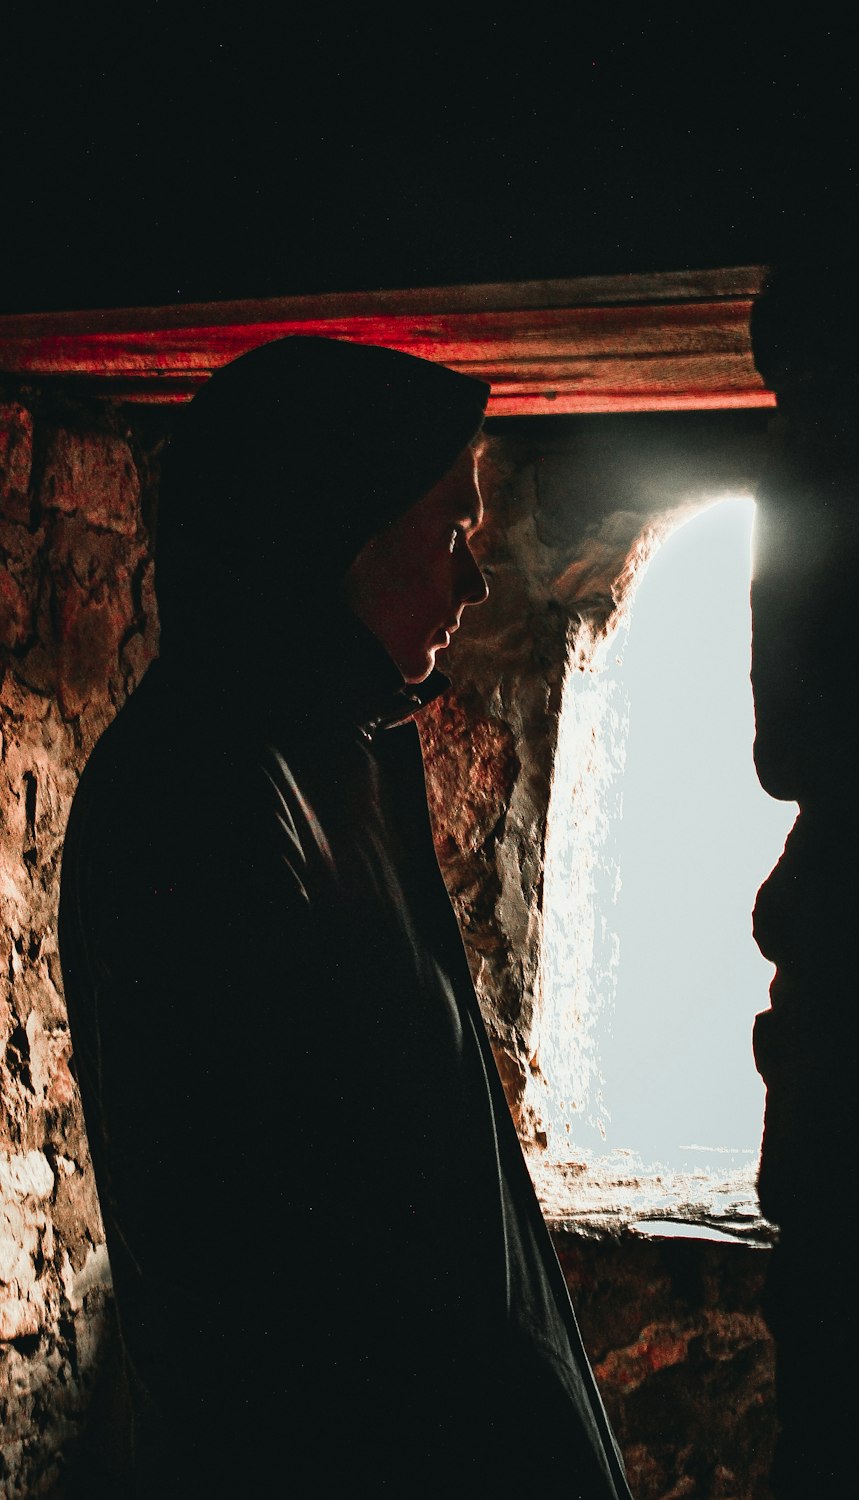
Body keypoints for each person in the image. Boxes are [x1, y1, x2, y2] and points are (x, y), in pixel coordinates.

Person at [58, 337, 634, 1498]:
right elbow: (259, 1254)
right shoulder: (204, 791)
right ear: (335, 542)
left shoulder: (328, 752)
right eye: (450, 534)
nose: (473, 583)